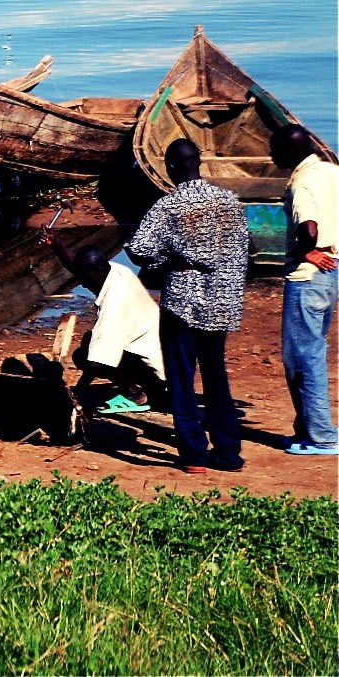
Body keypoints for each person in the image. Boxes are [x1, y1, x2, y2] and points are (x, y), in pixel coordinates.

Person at [124, 138, 249, 473]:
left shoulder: (169, 206)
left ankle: (194, 455)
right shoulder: (229, 201)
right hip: (223, 302)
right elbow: (243, 247)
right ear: (200, 161)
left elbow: (138, 249)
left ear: (172, 166)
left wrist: (167, 257)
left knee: (181, 380)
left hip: (183, 302)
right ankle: (229, 453)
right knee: (216, 377)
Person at [270, 125, 338, 457]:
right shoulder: (330, 171)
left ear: (290, 151)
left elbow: (308, 229)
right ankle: (309, 429)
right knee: (308, 354)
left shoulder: (302, 183)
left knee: (303, 358)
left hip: (307, 277)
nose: (270, 155)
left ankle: (322, 437)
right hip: (331, 275)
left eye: (275, 150)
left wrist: (305, 250)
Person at [49, 240, 166, 414]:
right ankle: (135, 386)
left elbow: (97, 363)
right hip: (164, 355)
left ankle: (135, 394)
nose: (80, 283)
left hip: (158, 373)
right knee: (90, 342)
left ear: (99, 272)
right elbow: (79, 266)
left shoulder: (113, 304)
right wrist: (55, 244)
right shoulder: (116, 271)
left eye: (84, 277)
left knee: (85, 355)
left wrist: (79, 390)